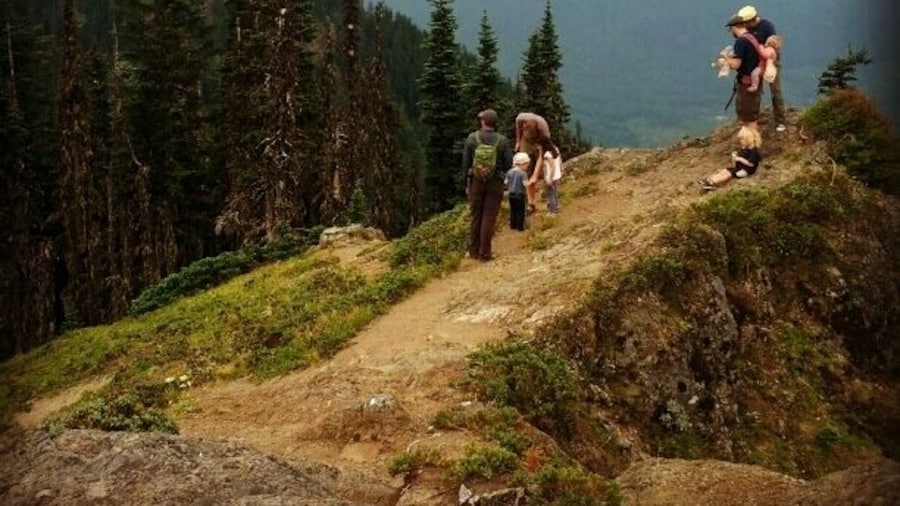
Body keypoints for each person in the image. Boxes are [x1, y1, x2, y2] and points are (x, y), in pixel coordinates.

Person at [462, 109, 513, 261]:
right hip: (495, 182)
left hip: (476, 182)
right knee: (489, 217)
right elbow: (508, 164)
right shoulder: (502, 140)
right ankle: (485, 253)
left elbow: (465, 163)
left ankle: (473, 251)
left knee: (476, 216)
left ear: (483, 121)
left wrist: (466, 182)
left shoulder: (472, 138)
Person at [739, 5, 787, 132]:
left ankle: (781, 121)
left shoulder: (767, 26)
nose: (746, 25)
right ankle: (754, 119)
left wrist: (769, 58)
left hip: (771, 63)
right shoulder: (748, 29)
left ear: (752, 19)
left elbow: (774, 45)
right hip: (757, 63)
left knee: (775, 91)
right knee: (756, 92)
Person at [722, 14, 762, 132]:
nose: (731, 32)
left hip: (746, 84)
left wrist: (725, 58)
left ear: (734, 27)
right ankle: (751, 145)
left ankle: (751, 147)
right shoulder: (752, 37)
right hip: (755, 82)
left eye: (730, 29)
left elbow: (736, 65)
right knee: (752, 116)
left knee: (747, 117)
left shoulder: (741, 41)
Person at [697, 126, 762, 191]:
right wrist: (734, 157)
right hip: (739, 167)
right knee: (725, 171)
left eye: (742, 139)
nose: (740, 141)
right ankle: (710, 180)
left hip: (746, 170)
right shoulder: (744, 148)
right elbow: (736, 162)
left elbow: (751, 164)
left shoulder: (754, 151)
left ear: (748, 139)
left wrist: (740, 159)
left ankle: (713, 183)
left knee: (729, 174)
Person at [514, 112, 552, 213]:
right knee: (526, 171)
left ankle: (550, 201)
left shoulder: (544, 130)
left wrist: (535, 175)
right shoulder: (520, 118)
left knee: (546, 173)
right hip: (526, 143)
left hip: (540, 142)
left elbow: (541, 158)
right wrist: (518, 141)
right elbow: (517, 127)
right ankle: (531, 203)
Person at [505, 152, 530, 231]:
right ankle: (520, 227)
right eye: (526, 164)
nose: (527, 166)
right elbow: (525, 184)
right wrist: (530, 182)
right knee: (520, 211)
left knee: (513, 210)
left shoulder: (509, 172)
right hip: (520, 195)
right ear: (522, 164)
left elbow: (505, 182)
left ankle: (513, 225)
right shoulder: (523, 174)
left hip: (511, 194)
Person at [542, 144, 563, 214]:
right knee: (555, 193)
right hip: (557, 175)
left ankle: (552, 211)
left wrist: (550, 179)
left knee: (550, 194)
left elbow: (552, 167)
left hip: (551, 177)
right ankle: (556, 207)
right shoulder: (555, 149)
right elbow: (560, 161)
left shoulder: (547, 154)